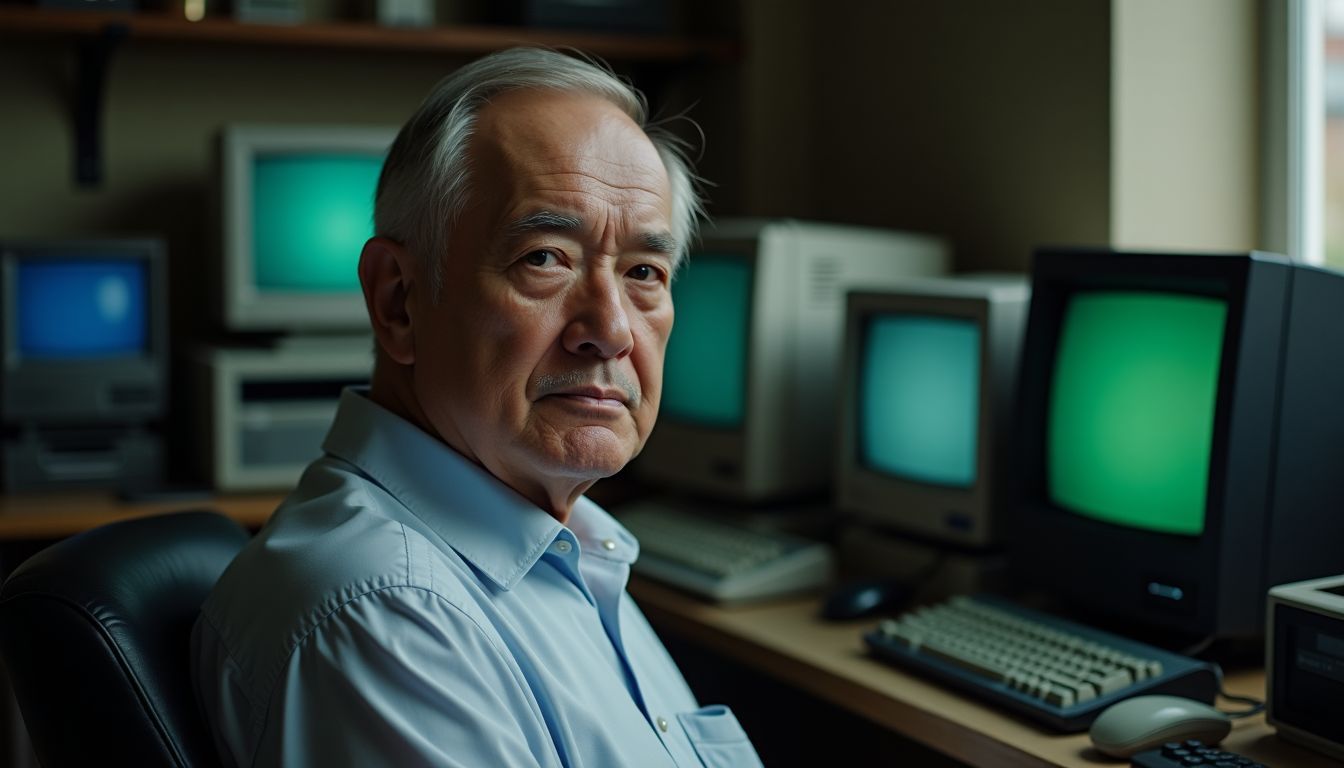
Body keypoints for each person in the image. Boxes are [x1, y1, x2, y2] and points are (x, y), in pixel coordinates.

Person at [191, 47, 764, 767]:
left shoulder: (567, 543)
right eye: (545, 258)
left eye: (644, 273)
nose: (613, 330)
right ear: (398, 302)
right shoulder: (388, 617)